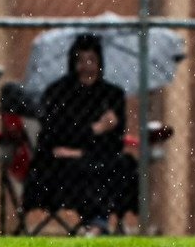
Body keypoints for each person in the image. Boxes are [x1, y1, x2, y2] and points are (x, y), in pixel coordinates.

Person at [23, 33, 129, 235]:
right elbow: (53, 137)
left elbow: (115, 143)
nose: (86, 67)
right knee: (87, 169)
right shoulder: (58, 93)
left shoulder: (112, 96)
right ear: (72, 62)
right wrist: (96, 130)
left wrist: (80, 148)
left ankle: (97, 224)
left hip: (101, 160)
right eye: (80, 60)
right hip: (61, 170)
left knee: (123, 165)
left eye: (92, 60)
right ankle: (97, 225)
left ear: (100, 63)